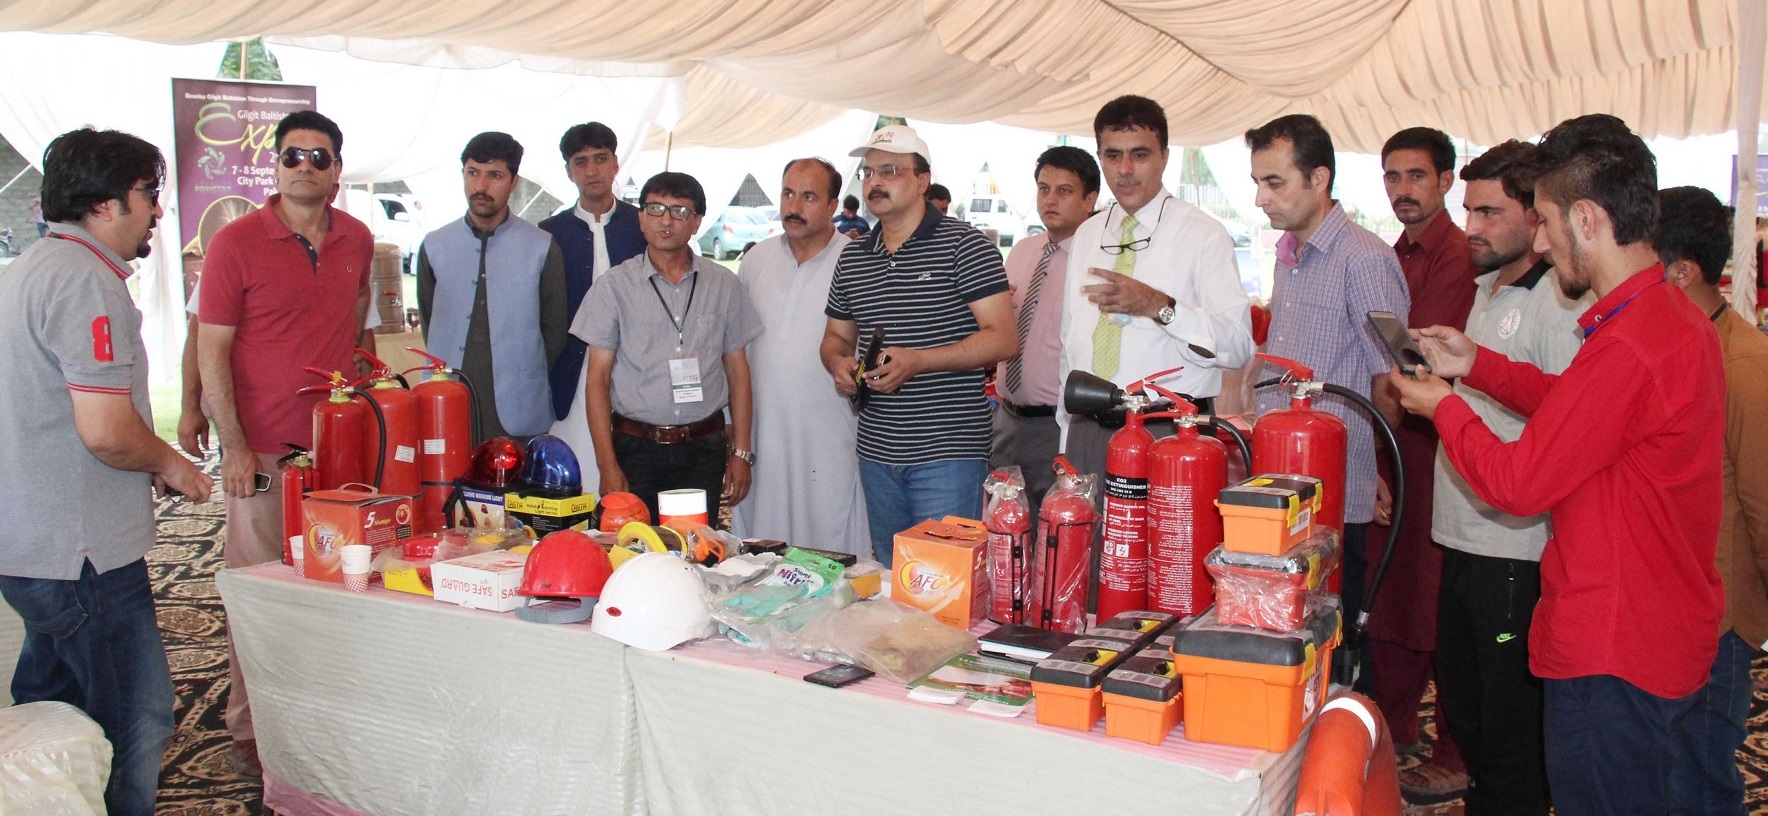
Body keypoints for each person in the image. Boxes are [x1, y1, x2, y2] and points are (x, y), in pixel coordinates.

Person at [1387, 114, 1724, 815]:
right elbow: (1581, 414)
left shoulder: (1629, 342)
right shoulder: (1664, 315)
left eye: (1543, 220)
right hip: (1652, 625)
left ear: (1587, 219)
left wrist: (1443, 408)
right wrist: (1479, 366)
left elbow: (1520, 482)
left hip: (1615, 640)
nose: (1539, 242)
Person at [0, 127, 212, 816]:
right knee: (134, 718)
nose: (157, 212)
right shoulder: (85, 281)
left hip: (33, 544)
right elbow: (106, 432)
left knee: (50, 713)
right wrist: (173, 464)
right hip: (82, 554)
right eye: (148, 195)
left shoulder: (31, 268)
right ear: (106, 203)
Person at [197, 109, 373, 775]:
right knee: (259, 592)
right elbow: (211, 348)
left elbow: (357, 322)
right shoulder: (235, 243)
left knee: (338, 584)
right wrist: (233, 446)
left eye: (319, 157)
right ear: (274, 165)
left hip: (338, 451)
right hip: (264, 451)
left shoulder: (357, 238)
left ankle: (317, 720)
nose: (305, 167)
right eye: (292, 155)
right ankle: (253, 734)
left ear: (336, 170)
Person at [1428, 140, 1585, 816]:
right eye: (1469, 210)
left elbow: (1567, 418)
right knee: (1467, 704)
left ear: (1536, 218)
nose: (1473, 227)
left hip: (1518, 545)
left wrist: (1446, 403)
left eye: (1491, 213)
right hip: (1466, 530)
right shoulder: (1487, 288)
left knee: (1509, 727)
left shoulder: (1558, 301)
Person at [1247, 113, 1410, 652]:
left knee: (1327, 642)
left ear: (1319, 179)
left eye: (1275, 183)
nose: (1261, 199)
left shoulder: (1364, 260)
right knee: (1281, 634)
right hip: (1279, 480)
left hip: (1331, 498)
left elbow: (1392, 380)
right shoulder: (1289, 256)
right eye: (1257, 183)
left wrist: (1368, 461)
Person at [821, 125, 1015, 566]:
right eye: (868, 172)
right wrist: (838, 364)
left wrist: (919, 362)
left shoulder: (965, 246)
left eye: (890, 170)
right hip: (877, 450)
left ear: (923, 180)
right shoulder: (853, 256)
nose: (875, 182)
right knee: (893, 576)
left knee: (944, 580)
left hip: (948, 451)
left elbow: (1004, 338)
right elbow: (835, 337)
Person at [1058, 95, 1254, 485]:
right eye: (1113, 155)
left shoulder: (1203, 234)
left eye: (1140, 155)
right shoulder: (1088, 234)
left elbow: (1237, 347)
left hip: (1170, 431)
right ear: (1100, 158)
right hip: (1087, 430)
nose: (1125, 170)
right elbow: (1069, 348)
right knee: (1086, 529)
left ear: (1164, 156)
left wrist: (1160, 307)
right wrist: (1066, 439)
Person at [1373, 125, 1477, 802]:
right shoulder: (1394, 253)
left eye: (1416, 176)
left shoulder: (1459, 256)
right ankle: (1394, 726)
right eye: (1393, 176)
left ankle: (1454, 751)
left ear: (1445, 180)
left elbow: (1414, 359)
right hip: (1398, 442)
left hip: (1443, 448)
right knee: (1396, 593)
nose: (1403, 189)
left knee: (1439, 600)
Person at [1658, 185, 1768, 816]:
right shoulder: (1670, 344)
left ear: (1681, 272)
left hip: (1719, 620)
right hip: (1664, 608)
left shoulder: (1745, 363)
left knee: (1699, 782)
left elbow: (1762, 503)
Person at [575, 171, 760, 523]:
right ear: (641, 218)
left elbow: (738, 371)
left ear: (697, 222)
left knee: (698, 544)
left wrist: (741, 453)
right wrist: (606, 465)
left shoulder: (724, 286)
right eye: (655, 209)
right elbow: (596, 381)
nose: (666, 220)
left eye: (679, 211)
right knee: (634, 547)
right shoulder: (614, 287)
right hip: (635, 449)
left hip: (703, 448)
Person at [732, 158, 869, 556]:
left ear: (833, 205)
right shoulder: (755, 260)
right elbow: (736, 350)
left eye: (809, 197)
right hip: (763, 432)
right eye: (788, 194)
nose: (794, 206)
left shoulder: (857, 261)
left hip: (832, 431)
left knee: (829, 538)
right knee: (762, 541)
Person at [416, 132, 567, 442]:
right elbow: (430, 321)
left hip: (519, 409)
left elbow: (554, 331)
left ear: (513, 182)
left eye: (495, 175)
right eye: (473, 173)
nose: (481, 186)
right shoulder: (435, 245)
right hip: (445, 404)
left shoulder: (541, 247)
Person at [994, 145, 1099, 505]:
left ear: (1089, 200)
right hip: (1007, 418)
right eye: (1043, 189)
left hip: (1058, 424)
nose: (1050, 200)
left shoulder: (1097, 261)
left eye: (1064, 191)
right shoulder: (1022, 250)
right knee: (1002, 523)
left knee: (1055, 527)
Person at [540, 122, 646, 427]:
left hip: (639, 369)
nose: (591, 171)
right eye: (580, 162)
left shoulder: (643, 226)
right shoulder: (548, 235)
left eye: (600, 159)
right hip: (571, 373)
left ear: (615, 164)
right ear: (568, 171)